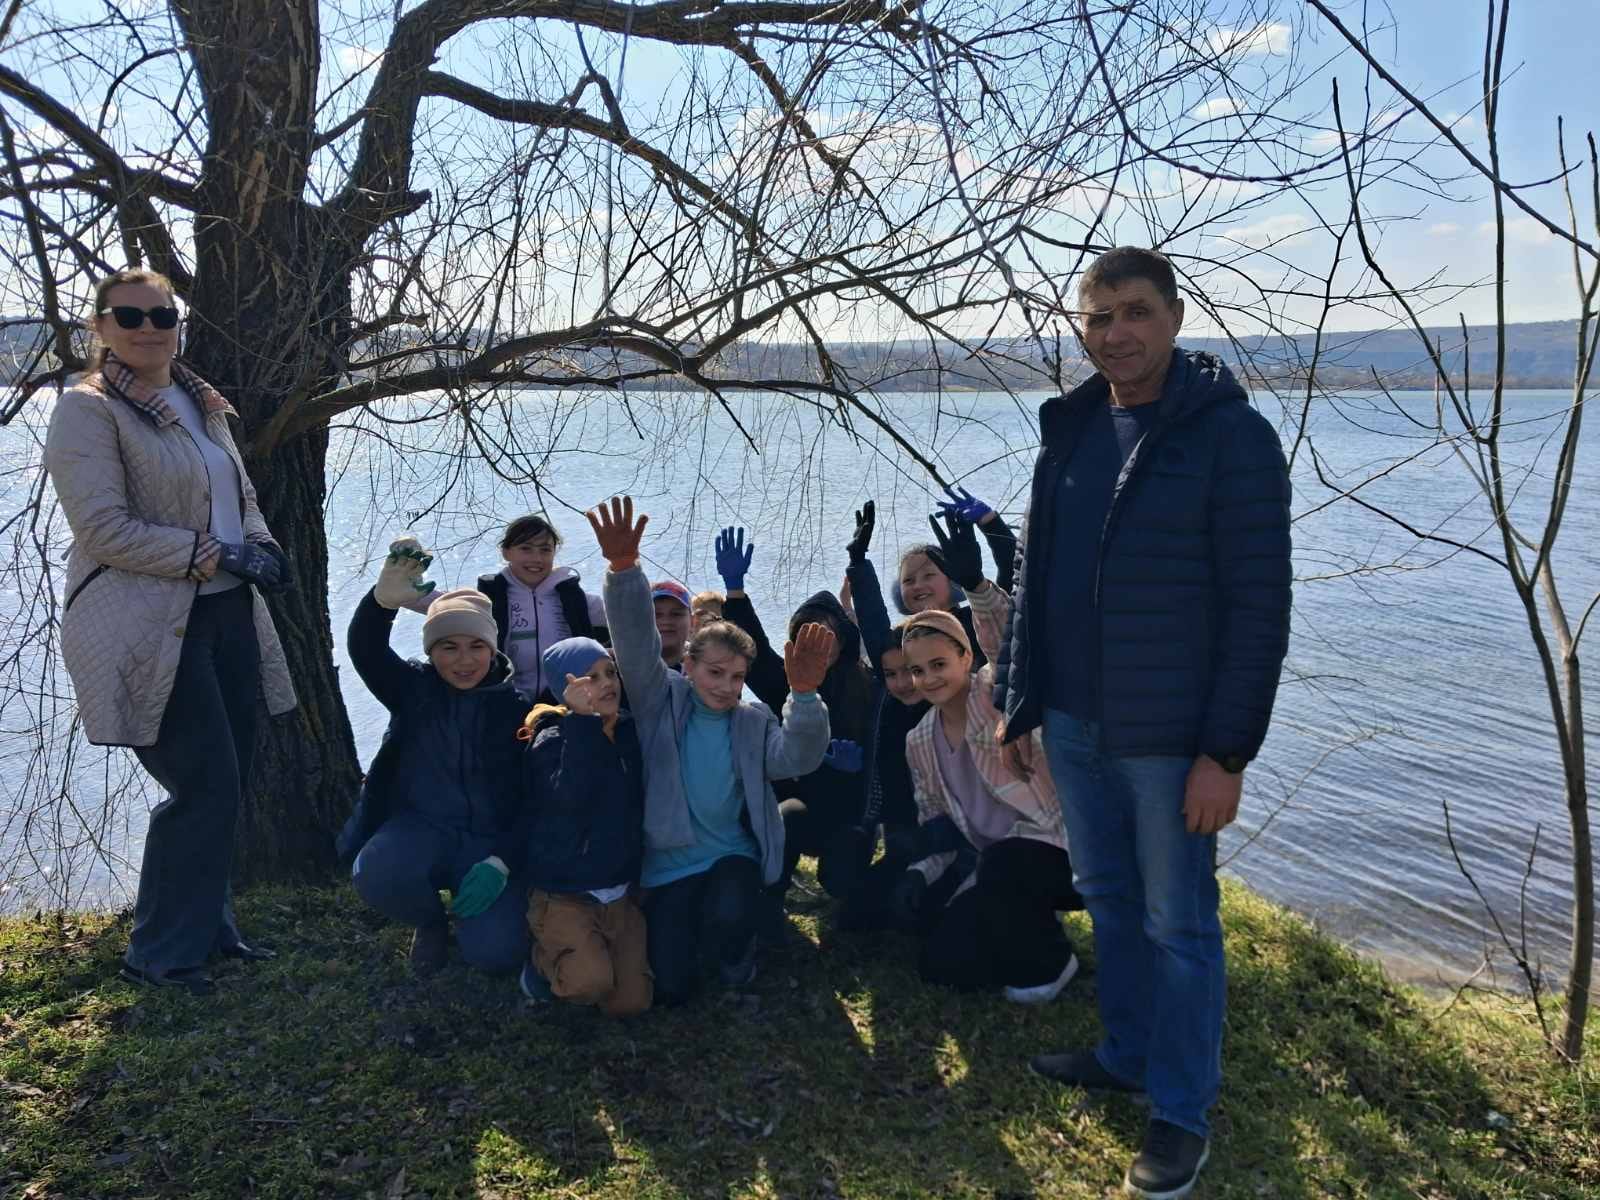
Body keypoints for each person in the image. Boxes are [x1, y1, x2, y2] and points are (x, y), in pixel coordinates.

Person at [996, 246, 1292, 1200]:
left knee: (1179, 924)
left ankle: (1180, 1111)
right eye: (1099, 316)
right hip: (1075, 723)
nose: (1115, 333)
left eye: (1135, 312)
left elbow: (1259, 609)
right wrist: (1018, 699)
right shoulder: (1073, 427)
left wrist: (1225, 753)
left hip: (1170, 739)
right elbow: (1035, 579)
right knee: (1109, 897)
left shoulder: (1230, 437)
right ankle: (1126, 1053)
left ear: (1174, 317)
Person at [43, 267, 297, 996]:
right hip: (151, 624)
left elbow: (239, 496)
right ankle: (158, 953)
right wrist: (215, 554)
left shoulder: (199, 399)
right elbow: (104, 530)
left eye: (162, 315)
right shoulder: (88, 409)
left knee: (229, 779)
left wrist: (261, 545)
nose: (148, 328)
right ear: (100, 327)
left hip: (228, 613)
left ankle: (208, 929)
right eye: (129, 316)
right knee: (203, 782)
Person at [587, 496, 833, 1005]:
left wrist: (805, 697)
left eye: (737, 676)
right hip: (668, 865)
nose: (725, 686)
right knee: (673, 985)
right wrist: (624, 570)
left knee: (730, 912)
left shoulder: (752, 720)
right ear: (689, 666)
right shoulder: (660, 702)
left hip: (731, 856)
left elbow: (797, 758)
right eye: (714, 672)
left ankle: (737, 949)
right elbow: (634, 643)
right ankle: (699, 937)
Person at [889, 514, 1081, 1004]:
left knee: (1003, 863)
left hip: (1062, 854)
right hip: (993, 869)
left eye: (939, 664)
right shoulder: (919, 741)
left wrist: (975, 585)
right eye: (917, 670)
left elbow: (1004, 641)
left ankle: (1054, 961)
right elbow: (935, 820)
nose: (929, 678)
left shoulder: (993, 697)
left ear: (965, 659)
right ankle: (1019, 925)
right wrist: (920, 873)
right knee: (940, 965)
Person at [338, 538, 531, 976]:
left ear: (493, 650)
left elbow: (534, 800)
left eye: (476, 646)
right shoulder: (413, 690)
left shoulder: (519, 712)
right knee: (376, 872)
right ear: (431, 651)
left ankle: (478, 914)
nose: (464, 661)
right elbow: (366, 649)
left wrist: (502, 861)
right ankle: (429, 921)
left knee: (498, 955)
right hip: (420, 829)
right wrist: (380, 605)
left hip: (486, 843)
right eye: (449, 647)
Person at [712, 525, 875, 920]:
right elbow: (754, 650)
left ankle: (851, 903)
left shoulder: (868, 685)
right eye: (805, 634)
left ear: (843, 640)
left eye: (825, 635)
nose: (816, 644)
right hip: (805, 804)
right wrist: (735, 592)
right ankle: (770, 902)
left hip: (851, 812)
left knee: (842, 877)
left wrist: (856, 770)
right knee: (786, 817)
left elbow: (884, 643)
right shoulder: (785, 682)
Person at [515, 637, 650, 1016]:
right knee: (588, 984)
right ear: (565, 691)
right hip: (565, 892)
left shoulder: (628, 732)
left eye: (610, 673)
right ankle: (541, 967)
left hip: (619, 891)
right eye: (590, 678)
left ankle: (588, 958)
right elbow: (569, 800)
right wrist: (584, 724)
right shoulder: (551, 741)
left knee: (631, 1003)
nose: (606, 683)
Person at [470, 513, 608, 700]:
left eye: (545, 550)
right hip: (507, 701)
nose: (537, 558)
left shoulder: (574, 598)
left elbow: (628, 618)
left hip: (568, 701)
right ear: (506, 552)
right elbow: (444, 609)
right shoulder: (490, 596)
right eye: (526, 548)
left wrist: (624, 568)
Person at [892, 486, 1017, 671]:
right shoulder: (899, 637)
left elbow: (1012, 572)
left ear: (953, 579)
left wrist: (990, 522)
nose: (918, 585)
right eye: (908, 581)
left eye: (929, 575)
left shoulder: (980, 616)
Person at [650, 578, 693, 669]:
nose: (666, 621)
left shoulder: (711, 668)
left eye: (676, 614)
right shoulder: (623, 668)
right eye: (656, 614)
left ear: (692, 621)